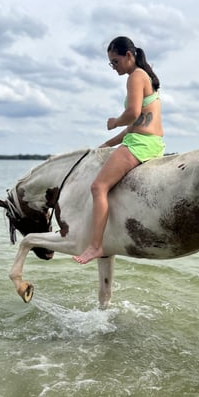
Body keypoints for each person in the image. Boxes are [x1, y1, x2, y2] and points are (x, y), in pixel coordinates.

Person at [74, 36, 165, 264]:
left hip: (140, 144)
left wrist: (115, 121)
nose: (113, 68)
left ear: (129, 55)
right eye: (110, 64)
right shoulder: (146, 77)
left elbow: (132, 114)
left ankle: (96, 246)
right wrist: (106, 145)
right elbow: (135, 126)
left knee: (98, 187)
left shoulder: (135, 76)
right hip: (150, 142)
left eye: (115, 62)